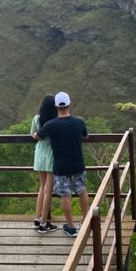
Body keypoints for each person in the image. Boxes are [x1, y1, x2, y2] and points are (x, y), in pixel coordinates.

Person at [34, 91, 89, 237]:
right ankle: (86, 221)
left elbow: (37, 136)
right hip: (78, 164)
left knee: (65, 195)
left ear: (56, 106)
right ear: (69, 103)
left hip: (60, 167)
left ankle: (71, 227)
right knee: (82, 191)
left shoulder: (51, 125)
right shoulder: (79, 122)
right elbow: (85, 135)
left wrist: (34, 134)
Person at [30, 94, 58, 233]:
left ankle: (37, 217)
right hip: (51, 153)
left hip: (39, 151)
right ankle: (44, 222)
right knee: (49, 188)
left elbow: (33, 135)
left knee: (42, 187)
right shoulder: (56, 120)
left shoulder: (36, 118)